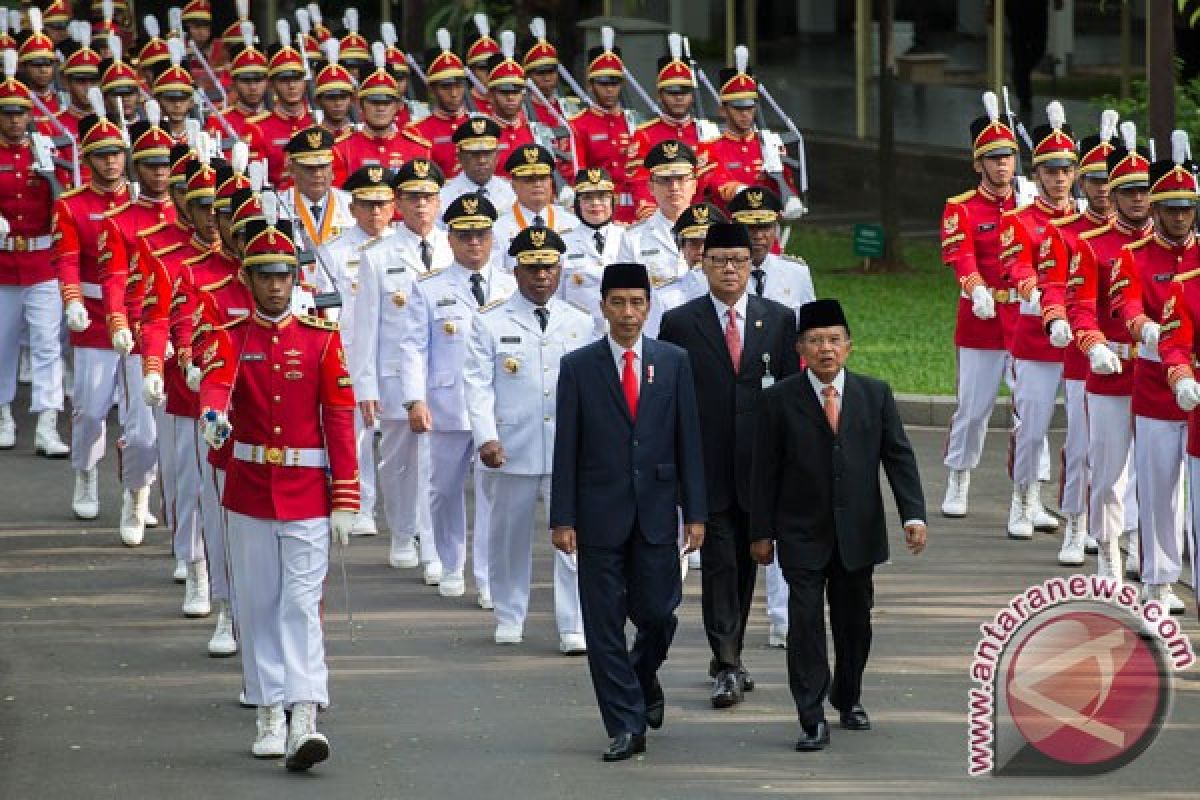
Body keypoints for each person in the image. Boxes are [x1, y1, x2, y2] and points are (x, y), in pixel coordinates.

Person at [197, 215, 358, 772]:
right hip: (249, 491)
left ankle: (305, 713)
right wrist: (213, 416)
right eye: (264, 275)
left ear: (295, 278)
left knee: (300, 605)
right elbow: (217, 384)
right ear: (247, 278)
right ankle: (268, 708)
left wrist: (347, 496)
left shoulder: (320, 339)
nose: (274, 285)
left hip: (308, 491)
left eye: (283, 275)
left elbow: (339, 418)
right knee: (259, 604)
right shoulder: (231, 338)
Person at [750, 298, 927, 752]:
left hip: (858, 534)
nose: (825, 349)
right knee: (804, 625)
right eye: (815, 341)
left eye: (833, 340)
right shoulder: (777, 400)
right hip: (800, 533)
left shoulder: (875, 394)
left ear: (848, 346)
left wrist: (913, 514)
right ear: (800, 350)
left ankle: (847, 696)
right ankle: (810, 716)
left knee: (854, 626)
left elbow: (898, 457)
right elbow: (762, 470)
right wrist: (761, 531)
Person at [550, 261, 706, 762]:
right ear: (602, 307)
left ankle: (641, 677)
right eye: (617, 302)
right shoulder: (579, 366)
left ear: (649, 306)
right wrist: (562, 517)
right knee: (602, 625)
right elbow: (567, 446)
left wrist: (696, 511)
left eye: (637, 302)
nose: (627, 312)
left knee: (659, 613)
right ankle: (624, 724)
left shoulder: (674, 361)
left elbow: (689, 442)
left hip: (659, 512)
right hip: (598, 513)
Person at [657, 221, 798, 708]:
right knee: (718, 562)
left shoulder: (778, 320)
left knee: (744, 563)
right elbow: (669, 400)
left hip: (759, 466)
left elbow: (788, 396)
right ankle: (729, 662)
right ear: (703, 263)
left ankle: (727, 655)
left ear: (751, 263)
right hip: (706, 464)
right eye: (719, 260)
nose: (730, 269)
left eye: (739, 260)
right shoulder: (681, 322)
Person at [463, 224, 593, 651]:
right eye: (532, 268)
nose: (541, 277)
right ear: (515, 271)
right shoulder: (490, 322)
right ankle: (509, 613)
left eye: (549, 268)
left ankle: (573, 622)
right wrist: (486, 437)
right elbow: (477, 384)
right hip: (511, 447)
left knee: (573, 537)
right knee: (508, 537)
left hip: (567, 450)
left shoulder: (581, 322)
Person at [404, 193, 515, 606]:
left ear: (492, 238)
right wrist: (414, 399)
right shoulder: (430, 288)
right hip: (447, 403)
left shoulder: (509, 283)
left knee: (493, 495)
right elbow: (414, 346)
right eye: (466, 236)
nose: (474, 244)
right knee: (443, 490)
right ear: (450, 240)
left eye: (481, 236)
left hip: (498, 407)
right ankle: (452, 564)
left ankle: (487, 577)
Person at [351, 158, 450, 580]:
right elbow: (365, 326)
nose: (420, 206)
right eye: (411, 198)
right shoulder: (377, 256)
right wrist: (365, 384)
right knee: (398, 463)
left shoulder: (454, 246)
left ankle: (432, 547)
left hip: (443, 374)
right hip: (393, 373)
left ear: (439, 200)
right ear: (397, 203)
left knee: (436, 464)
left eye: (427, 197)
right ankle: (402, 532)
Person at [1109, 135, 1195, 613]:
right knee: (1158, 487)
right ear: (1156, 210)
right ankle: (1158, 582)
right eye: (1171, 209)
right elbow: (1126, 306)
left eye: (1187, 209)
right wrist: (1150, 332)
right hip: (1157, 385)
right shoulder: (1134, 256)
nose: (1179, 217)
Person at [1066, 134, 1152, 581]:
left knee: (1157, 475)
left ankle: (1146, 557)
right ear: (1113, 197)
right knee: (1109, 471)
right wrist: (1094, 345)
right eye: (1129, 192)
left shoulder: (1171, 247)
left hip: (1159, 375)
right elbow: (1079, 308)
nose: (1138, 200)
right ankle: (1108, 552)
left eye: (1144, 190)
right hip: (1111, 369)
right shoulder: (1092, 245)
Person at [1038, 114, 1118, 564]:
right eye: (1094, 180)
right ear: (1082, 184)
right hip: (1082, 352)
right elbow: (1051, 282)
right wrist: (1055, 318)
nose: (1104, 189)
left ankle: (1117, 534)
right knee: (1083, 442)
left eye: (1112, 182)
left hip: (1133, 356)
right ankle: (1075, 522)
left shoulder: (1140, 237)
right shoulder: (1064, 232)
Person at [939, 94, 1020, 518]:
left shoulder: (1028, 204)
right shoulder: (961, 208)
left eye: (1007, 156)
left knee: (1031, 411)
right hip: (982, 318)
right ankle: (959, 475)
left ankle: (1027, 492)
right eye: (993, 157)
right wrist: (975, 287)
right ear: (978, 163)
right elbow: (961, 256)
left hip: (1025, 319)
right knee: (973, 409)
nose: (1002, 164)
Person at [1000, 103, 1077, 540]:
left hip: (1081, 339)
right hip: (1036, 334)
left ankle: (1076, 511)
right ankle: (1022, 498)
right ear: (1038, 173)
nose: (1059, 178)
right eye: (1050, 170)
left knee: (1083, 433)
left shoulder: (1087, 222)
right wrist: (1040, 300)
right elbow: (1018, 269)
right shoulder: (1020, 221)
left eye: (1066, 170)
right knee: (1031, 427)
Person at [53, 109, 135, 522]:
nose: (111, 162)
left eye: (116, 154)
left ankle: (137, 493)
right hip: (95, 319)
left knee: (143, 417)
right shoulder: (73, 206)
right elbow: (67, 260)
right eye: (102, 156)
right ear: (88, 160)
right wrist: (72, 301)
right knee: (90, 409)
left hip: (137, 319)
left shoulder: (141, 202)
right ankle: (85, 472)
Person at [0, 58, 68, 459]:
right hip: (3, 265)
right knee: (2, 346)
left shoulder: (47, 149)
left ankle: (47, 422)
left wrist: (54, 173)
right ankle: (3, 414)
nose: (14, 121)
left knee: (47, 345)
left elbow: (66, 202)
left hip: (43, 263)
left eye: (20, 113)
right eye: (7, 113)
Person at [569, 27, 636, 223]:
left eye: (614, 83)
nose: (609, 89)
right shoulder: (578, 124)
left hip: (635, 209)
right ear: (590, 85)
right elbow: (578, 174)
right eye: (602, 83)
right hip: (598, 209)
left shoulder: (633, 122)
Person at [617, 139, 699, 289]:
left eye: (681, 179)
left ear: (694, 185)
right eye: (665, 180)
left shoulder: (714, 231)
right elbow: (626, 291)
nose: (674, 187)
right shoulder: (633, 238)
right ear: (651, 187)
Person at [559, 166, 627, 332]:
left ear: (613, 201)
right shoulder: (562, 244)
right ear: (577, 203)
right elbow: (557, 298)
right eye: (588, 198)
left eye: (602, 197)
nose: (595, 203)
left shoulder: (628, 237)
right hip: (579, 333)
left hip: (624, 330)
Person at [491, 144, 578, 270]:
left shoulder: (571, 222)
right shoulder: (498, 228)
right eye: (529, 179)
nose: (537, 184)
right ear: (514, 185)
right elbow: (497, 275)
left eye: (542, 178)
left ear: (551, 182)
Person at [413, 30, 471, 178]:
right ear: (432, 89)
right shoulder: (417, 131)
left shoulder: (478, 122)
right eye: (446, 87)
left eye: (458, 86)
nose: (454, 93)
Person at [438, 116, 516, 212]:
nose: (482, 160)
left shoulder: (512, 193)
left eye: (487, 153)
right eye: (474, 154)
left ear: (497, 156)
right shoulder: (443, 196)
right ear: (460, 157)